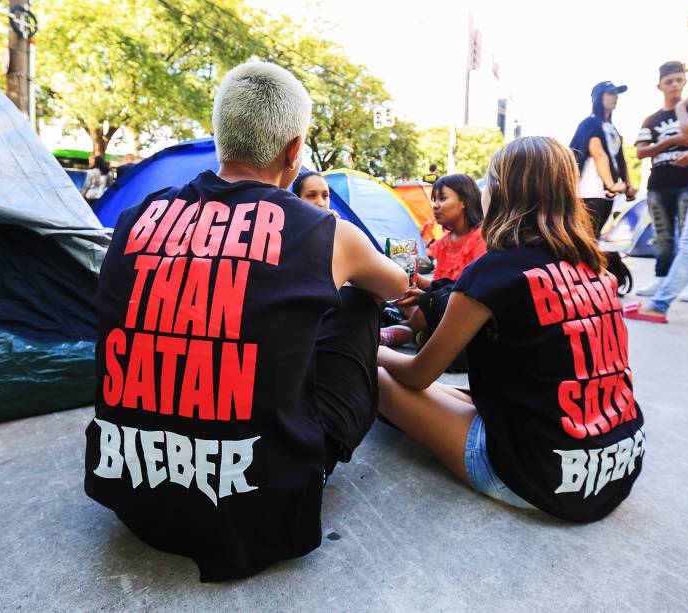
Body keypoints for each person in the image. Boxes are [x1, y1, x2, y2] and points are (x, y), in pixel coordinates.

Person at [84, 61, 410, 582]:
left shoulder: (133, 217)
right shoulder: (326, 231)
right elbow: (397, 286)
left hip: (134, 494)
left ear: (219, 138)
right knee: (360, 300)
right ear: (293, 150)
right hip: (258, 506)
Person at [378, 136, 644, 522]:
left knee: (376, 378)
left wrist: (371, 350)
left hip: (541, 475)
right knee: (456, 393)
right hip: (618, 461)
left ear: (498, 193)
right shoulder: (595, 266)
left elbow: (418, 374)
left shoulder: (494, 272)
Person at [626, 73, 688, 323]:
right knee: (665, 236)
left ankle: (661, 303)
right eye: (669, 80)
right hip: (661, 184)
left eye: (678, 80)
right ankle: (662, 286)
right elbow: (641, 151)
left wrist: (683, 109)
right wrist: (687, 143)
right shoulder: (651, 119)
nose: (674, 85)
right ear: (660, 85)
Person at [380, 174, 486, 361]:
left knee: (423, 306)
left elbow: (471, 292)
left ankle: (407, 329)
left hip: (466, 310)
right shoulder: (444, 243)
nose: (435, 206)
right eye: (434, 200)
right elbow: (438, 287)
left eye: (442, 198)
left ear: (464, 201)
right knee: (404, 298)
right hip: (440, 303)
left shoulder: (481, 238)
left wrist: (424, 297)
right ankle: (417, 331)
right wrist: (413, 282)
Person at [570, 81, 636, 294]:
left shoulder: (613, 128)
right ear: (598, 97)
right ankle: (583, 283)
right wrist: (611, 184)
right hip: (590, 190)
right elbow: (598, 153)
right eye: (610, 93)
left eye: (617, 93)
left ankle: (592, 282)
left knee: (593, 237)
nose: (615, 97)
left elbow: (619, 159)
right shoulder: (589, 123)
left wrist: (628, 185)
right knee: (586, 237)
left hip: (605, 193)